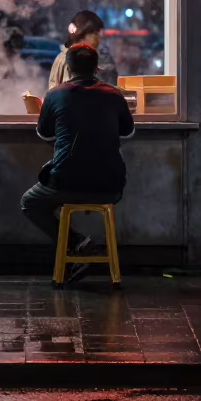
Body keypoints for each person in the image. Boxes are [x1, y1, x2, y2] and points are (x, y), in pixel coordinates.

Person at [21, 42, 134, 282]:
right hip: (110, 186)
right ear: (96, 68)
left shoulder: (55, 94)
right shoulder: (114, 94)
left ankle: (78, 243)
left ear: (68, 68)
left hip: (65, 184)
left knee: (30, 203)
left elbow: (44, 133)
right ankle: (79, 249)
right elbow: (128, 131)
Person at [48, 9, 118, 89]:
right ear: (82, 33)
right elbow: (71, 92)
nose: (98, 39)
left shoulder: (79, 57)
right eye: (95, 34)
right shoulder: (70, 60)